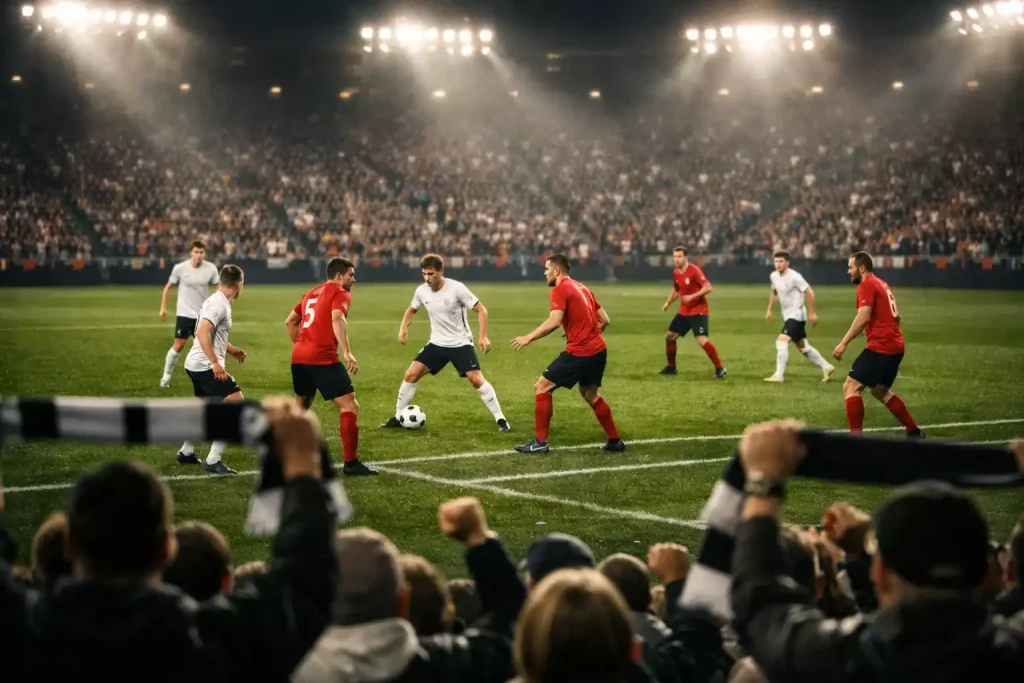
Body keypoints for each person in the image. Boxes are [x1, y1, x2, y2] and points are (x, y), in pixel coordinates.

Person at [0, 397, 340, 683]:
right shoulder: (213, 647)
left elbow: (303, 583)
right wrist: (303, 466)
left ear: (68, 545)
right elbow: (305, 585)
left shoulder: (17, 634)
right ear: (167, 547)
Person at [730, 420, 1024, 682]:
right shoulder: (1013, 649)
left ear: (879, 574)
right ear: (990, 573)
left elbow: (761, 608)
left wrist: (763, 482)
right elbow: (760, 604)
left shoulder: (839, 659)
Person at [380, 253, 510, 433]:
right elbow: (411, 310)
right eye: (424, 274)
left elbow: (481, 310)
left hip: (461, 343)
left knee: (475, 379)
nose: (427, 278)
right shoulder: (421, 291)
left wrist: (482, 336)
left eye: (431, 274)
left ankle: (501, 419)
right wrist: (403, 328)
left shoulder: (457, 289)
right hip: (437, 343)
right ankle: (397, 416)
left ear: (441, 271)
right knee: (411, 374)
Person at [510, 254, 624, 454]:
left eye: (547, 269)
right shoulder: (583, 288)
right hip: (599, 350)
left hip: (580, 352)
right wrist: (588, 333)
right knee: (590, 393)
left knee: (542, 387)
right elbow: (605, 320)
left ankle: (540, 442)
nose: (544, 273)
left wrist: (528, 337)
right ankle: (615, 440)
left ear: (556, 271)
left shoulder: (560, 289)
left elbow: (554, 321)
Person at [285, 257, 375, 476]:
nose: (354, 279)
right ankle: (351, 463)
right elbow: (337, 318)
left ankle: (286, 455)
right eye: (351, 275)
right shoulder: (340, 293)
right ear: (338, 276)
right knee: (349, 406)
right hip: (322, 358)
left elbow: (290, 322)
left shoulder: (310, 293)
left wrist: (302, 343)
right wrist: (346, 351)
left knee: (301, 406)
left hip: (299, 357)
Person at [832, 252, 923, 437]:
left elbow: (863, 317)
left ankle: (855, 440)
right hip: (896, 346)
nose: (848, 271)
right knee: (880, 390)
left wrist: (844, 343)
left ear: (862, 268)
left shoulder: (867, 285)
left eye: (851, 267)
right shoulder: (881, 283)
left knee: (851, 386)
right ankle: (914, 431)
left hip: (882, 347)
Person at [176, 264, 247, 475]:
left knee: (207, 411)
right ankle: (213, 460)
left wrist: (232, 350)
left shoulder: (217, 300)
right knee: (236, 404)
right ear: (238, 284)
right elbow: (202, 332)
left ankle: (186, 451)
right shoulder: (220, 304)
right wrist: (215, 362)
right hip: (205, 366)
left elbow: (212, 332)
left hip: (196, 364)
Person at [764, 251, 834, 383]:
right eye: (776, 261)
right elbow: (774, 292)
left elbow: (810, 293)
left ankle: (779, 375)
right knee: (803, 348)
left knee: (781, 341)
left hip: (797, 315)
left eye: (781, 261)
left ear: (787, 263)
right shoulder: (774, 276)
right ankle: (827, 367)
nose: (778, 264)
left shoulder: (795, 277)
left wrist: (812, 313)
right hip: (788, 315)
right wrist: (769, 310)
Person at [158, 240, 220, 388]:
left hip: (202, 316)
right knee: (179, 345)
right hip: (184, 314)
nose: (199, 255)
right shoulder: (180, 268)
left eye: (201, 252)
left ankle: (210, 380)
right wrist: (163, 308)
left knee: (207, 348)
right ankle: (166, 377)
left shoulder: (211, 269)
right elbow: (168, 287)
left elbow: (219, 287)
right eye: (196, 252)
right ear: (191, 252)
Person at [660, 246, 726, 379]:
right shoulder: (676, 273)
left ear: (686, 257)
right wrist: (668, 303)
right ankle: (671, 367)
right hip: (684, 311)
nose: (677, 259)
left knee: (701, 339)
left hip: (698, 310)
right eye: (675, 257)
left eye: (679, 256)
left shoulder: (694, 270)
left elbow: (708, 287)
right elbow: (676, 291)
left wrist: (693, 296)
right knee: (670, 337)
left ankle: (720, 368)